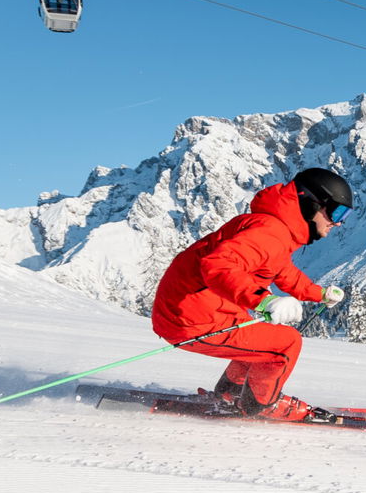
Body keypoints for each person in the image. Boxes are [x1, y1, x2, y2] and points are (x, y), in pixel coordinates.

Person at [150, 167, 353, 419]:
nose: (339, 222)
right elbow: (217, 265)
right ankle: (258, 406)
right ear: (309, 203)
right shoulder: (269, 233)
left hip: (196, 310)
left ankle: (230, 394)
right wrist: (264, 300)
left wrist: (319, 294)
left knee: (261, 338)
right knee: (286, 344)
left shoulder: (273, 229)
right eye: (336, 211)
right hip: (192, 318)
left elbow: (283, 272)